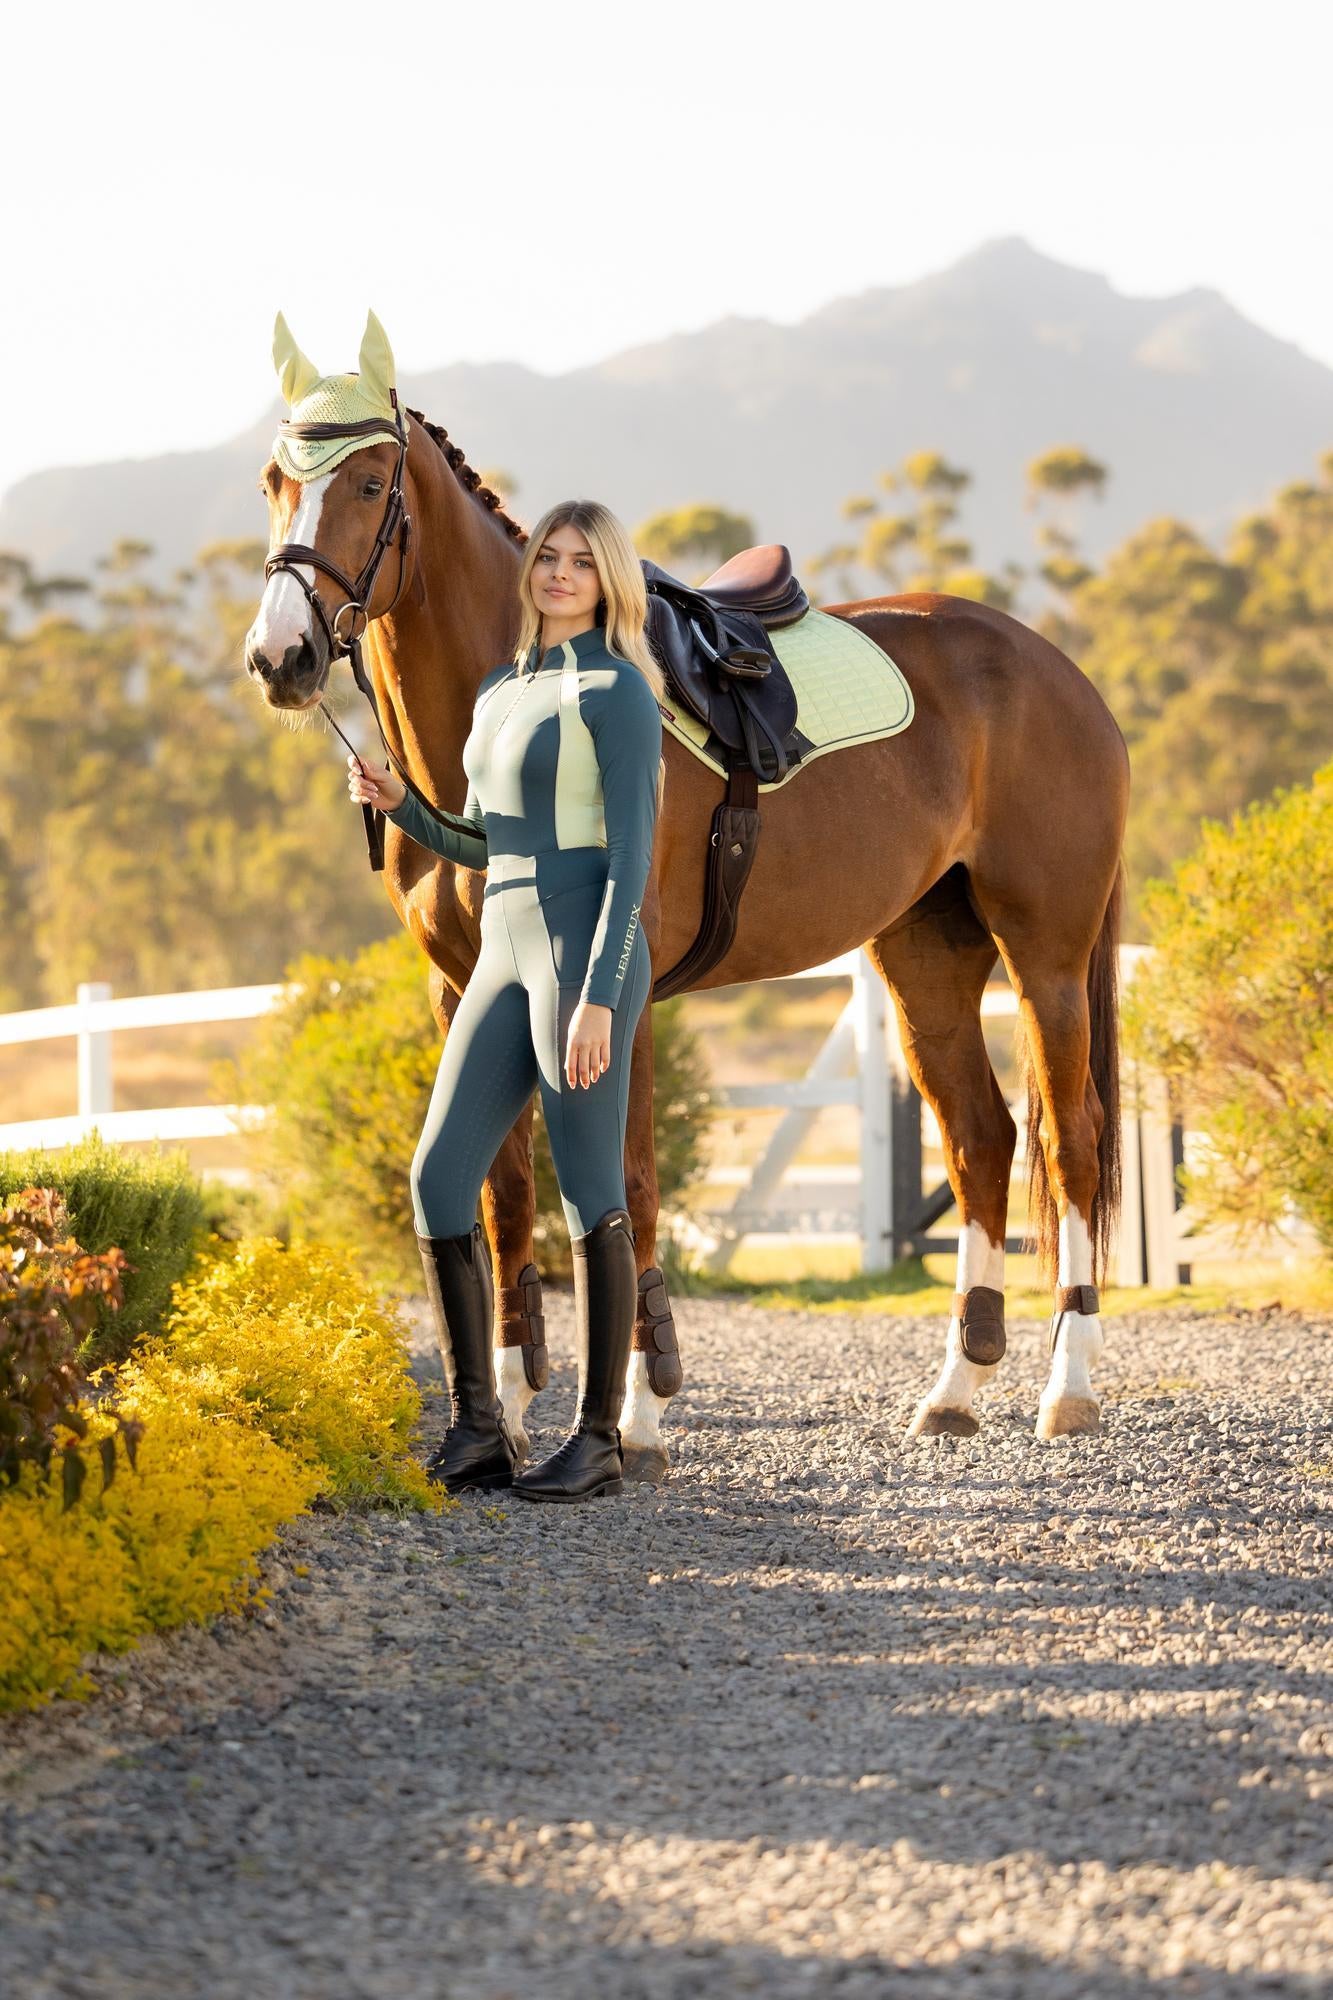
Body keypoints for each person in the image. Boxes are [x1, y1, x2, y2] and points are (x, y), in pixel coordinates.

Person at [349, 501, 666, 1503]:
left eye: (582, 561)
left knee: (588, 1189)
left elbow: (634, 861)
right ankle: (479, 1427)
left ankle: (600, 1437)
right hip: (503, 939)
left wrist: (601, 999)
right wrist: (405, 806)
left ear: (608, 579)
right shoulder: (501, 689)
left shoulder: (616, 692)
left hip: (583, 945)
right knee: (440, 1177)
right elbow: (487, 843)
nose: (560, 573)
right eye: (548, 558)